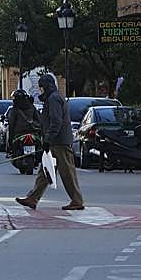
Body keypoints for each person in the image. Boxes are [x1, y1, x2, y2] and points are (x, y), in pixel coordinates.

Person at [15, 74, 85, 210]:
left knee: (67, 173)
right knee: (45, 170)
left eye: (41, 88)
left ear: (46, 87)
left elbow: (56, 121)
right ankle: (33, 198)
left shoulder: (53, 99)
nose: (40, 91)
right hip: (55, 141)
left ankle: (77, 200)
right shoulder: (53, 98)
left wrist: (48, 138)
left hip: (59, 142)